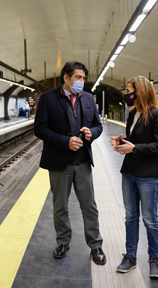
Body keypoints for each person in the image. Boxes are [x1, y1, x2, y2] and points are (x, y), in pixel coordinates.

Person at [34, 61, 106, 265]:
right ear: (66, 78)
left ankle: (95, 245)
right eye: (78, 78)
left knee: (89, 205)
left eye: (83, 78)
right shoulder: (48, 99)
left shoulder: (89, 99)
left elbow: (97, 126)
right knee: (60, 206)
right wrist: (65, 141)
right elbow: (39, 129)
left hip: (82, 161)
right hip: (59, 162)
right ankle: (63, 242)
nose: (82, 82)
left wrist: (92, 134)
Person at [110, 76, 158, 278]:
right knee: (130, 217)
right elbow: (135, 141)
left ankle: (154, 259)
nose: (126, 94)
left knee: (150, 219)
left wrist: (134, 147)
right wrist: (121, 141)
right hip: (129, 173)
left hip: (148, 176)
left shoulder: (157, 114)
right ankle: (131, 256)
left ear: (140, 91)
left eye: (129, 90)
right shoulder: (133, 113)